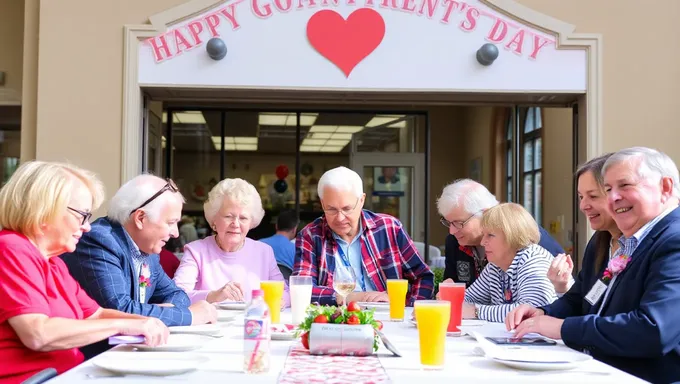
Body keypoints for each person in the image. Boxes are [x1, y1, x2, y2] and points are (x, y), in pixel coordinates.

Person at [506, 147, 680, 384]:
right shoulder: (623, 241)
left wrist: (562, 328)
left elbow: (654, 330)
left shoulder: (673, 241)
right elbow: (583, 299)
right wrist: (544, 313)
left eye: (625, 185)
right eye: (608, 190)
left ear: (666, 188)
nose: (613, 198)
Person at [0, 162, 168, 383]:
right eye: (82, 215)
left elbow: (95, 314)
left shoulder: (54, 264)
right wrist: (124, 324)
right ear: (44, 208)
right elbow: (38, 334)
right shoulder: (11, 248)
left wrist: (148, 321)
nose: (87, 227)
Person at [61, 175, 216, 356]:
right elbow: (120, 309)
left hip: (130, 354)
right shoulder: (99, 240)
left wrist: (164, 311)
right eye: (171, 222)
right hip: (94, 361)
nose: (175, 233)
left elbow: (176, 293)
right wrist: (190, 316)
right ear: (140, 218)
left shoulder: (148, 251)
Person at [293, 166, 434, 306]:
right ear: (322, 204)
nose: (340, 218)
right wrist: (348, 297)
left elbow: (423, 277)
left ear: (361, 200)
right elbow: (301, 288)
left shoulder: (389, 228)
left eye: (347, 209)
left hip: (388, 317)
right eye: (331, 209)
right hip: (336, 320)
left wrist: (410, 308)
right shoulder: (310, 235)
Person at [174, 178, 290, 306]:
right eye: (228, 216)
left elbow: (285, 292)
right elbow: (176, 295)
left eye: (243, 218)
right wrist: (214, 295)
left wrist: (276, 302)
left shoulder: (264, 252)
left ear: (251, 223)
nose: (235, 224)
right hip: (211, 324)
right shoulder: (196, 251)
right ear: (214, 220)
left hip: (254, 323)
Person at [437, 179, 564, 287]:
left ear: (485, 213)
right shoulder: (454, 242)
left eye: (459, 223)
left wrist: (476, 309)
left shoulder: (524, 236)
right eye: (448, 222)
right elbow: (457, 290)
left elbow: (550, 296)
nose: (452, 231)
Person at [462, 203, 557, 322]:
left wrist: (476, 311)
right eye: (483, 235)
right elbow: (468, 299)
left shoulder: (533, 259)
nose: (482, 242)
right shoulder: (495, 265)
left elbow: (529, 311)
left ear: (512, 236)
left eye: (490, 235)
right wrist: (451, 299)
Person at [546, 153, 621, 296]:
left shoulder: (638, 244)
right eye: (581, 197)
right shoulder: (598, 242)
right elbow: (585, 300)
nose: (583, 206)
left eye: (593, 196)